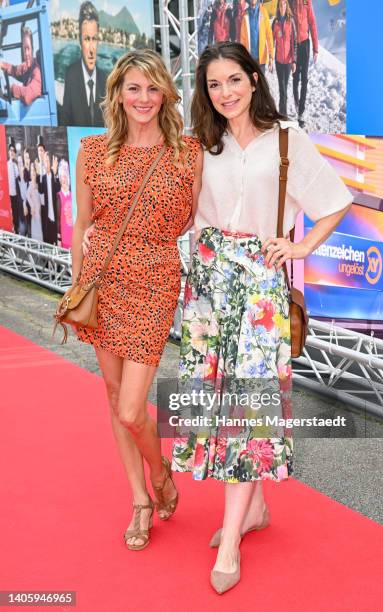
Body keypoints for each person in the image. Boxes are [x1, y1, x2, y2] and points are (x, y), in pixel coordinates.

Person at [171, 41, 352, 594]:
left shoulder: (288, 141)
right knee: (216, 402)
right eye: (213, 84)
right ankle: (254, 509)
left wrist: (299, 249)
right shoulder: (202, 142)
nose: (224, 92)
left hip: (257, 286)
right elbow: (181, 210)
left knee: (247, 410)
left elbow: (335, 202)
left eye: (233, 80)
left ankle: (229, 542)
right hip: (207, 284)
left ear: (254, 77)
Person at [75, 49, 202, 551]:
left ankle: (162, 473)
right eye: (133, 88)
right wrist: (77, 283)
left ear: (166, 93)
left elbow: (193, 220)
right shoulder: (92, 149)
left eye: (152, 88)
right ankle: (141, 501)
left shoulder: (187, 153)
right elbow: (83, 223)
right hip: (102, 280)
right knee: (112, 394)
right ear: (118, 94)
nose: (143, 98)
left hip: (154, 280)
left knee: (132, 408)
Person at [60, 1, 107, 126]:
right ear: (79, 41)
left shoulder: (107, 80)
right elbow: (65, 119)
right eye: (87, 39)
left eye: (94, 39)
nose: (91, 49)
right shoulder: (70, 74)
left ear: (98, 41)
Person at [289, 0, 318, 127]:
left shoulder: (307, 2)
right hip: (294, 45)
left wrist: (315, 49)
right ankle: (296, 103)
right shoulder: (290, 2)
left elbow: (312, 23)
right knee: (296, 79)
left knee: (305, 79)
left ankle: (301, 111)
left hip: (305, 44)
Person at [0, 26, 42, 106]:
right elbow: (14, 70)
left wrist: (12, 88)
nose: (26, 53)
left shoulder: (37, 71)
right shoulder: (27, 67)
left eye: (28, 49)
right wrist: (1, 64)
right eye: (24, 49)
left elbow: (28, 95)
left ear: (33, 48)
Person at [272, 0, 297, 115]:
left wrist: (294, 61)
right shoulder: (275, 22)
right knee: (282, 88)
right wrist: (271, 59)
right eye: (280, 5)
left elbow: (294, 42)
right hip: (278, 61)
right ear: (278, 7)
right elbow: (272, 43)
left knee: (284, 88)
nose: (282, 7)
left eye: (284, 4)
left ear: (286, 6)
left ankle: (282, 114)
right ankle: (283, 115)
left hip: (287, 62)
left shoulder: (290, 21)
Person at [240, 0, 274, 73]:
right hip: (249, 59)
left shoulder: (263, 12)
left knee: (260, 83)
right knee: (251, 83)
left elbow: (269, 35)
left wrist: (271, 56)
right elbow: (242, 39)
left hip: (261, 59)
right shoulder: (245, 15)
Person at [37, 152, 60, 245]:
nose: (46, 163)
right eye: (44, 162)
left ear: (50, 163)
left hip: (54, 216)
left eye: (47, 161)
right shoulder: (43, 178)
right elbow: (40, 191)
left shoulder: (54, 176)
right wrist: (39, 175)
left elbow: (58, 188)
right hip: (46, 217)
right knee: (48, 241)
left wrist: (55, 174)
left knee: (55, 241)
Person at [26, 162, 43, 242]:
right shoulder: (30, 185)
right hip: (35, 212)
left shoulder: (38, 184)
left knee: (40, 230)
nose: (33, 173)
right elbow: (27, 195)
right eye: (31, 171)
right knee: (36, 232)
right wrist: (32, 206)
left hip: (40, 211)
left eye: (34, 171)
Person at [57, 160, 73, 249]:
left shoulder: (72, 195)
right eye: (61, 177)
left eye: (65, 176)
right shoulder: (59, 196)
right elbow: (58, 219)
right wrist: (59, 239)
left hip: (74, 236)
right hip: (65, 238)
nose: (63, 179)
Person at [7, 140, 19, 234]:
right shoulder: (6, 165)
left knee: (16, 214)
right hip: (9, 195)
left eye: (13, 150)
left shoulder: (16, 165)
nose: (11, 152)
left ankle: (18, 230)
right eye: (10, 150)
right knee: (11, 215)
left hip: (17, 195)